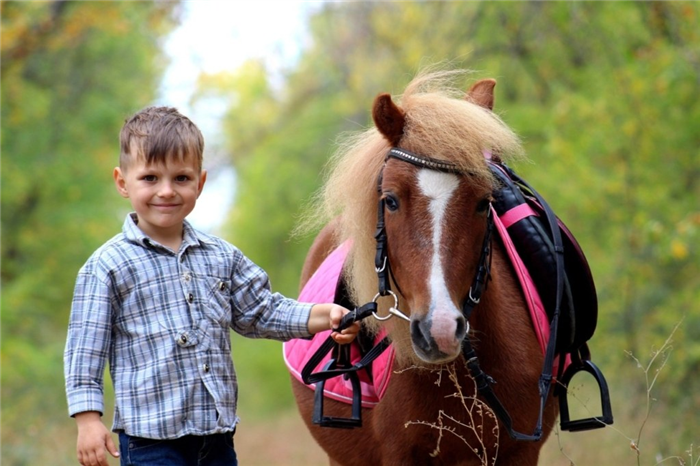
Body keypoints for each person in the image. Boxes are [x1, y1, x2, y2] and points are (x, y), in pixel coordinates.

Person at [64, 106, 359, 466]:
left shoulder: (221, 256)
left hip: (216, 438)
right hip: (149, 442)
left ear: (200, 183)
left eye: (182, 178)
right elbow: (85, 352)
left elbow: (261, 310)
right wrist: (88, 419)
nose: (167, 191)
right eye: (150, 178)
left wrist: (321, 314)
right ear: (123, 182)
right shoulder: (107, 267)